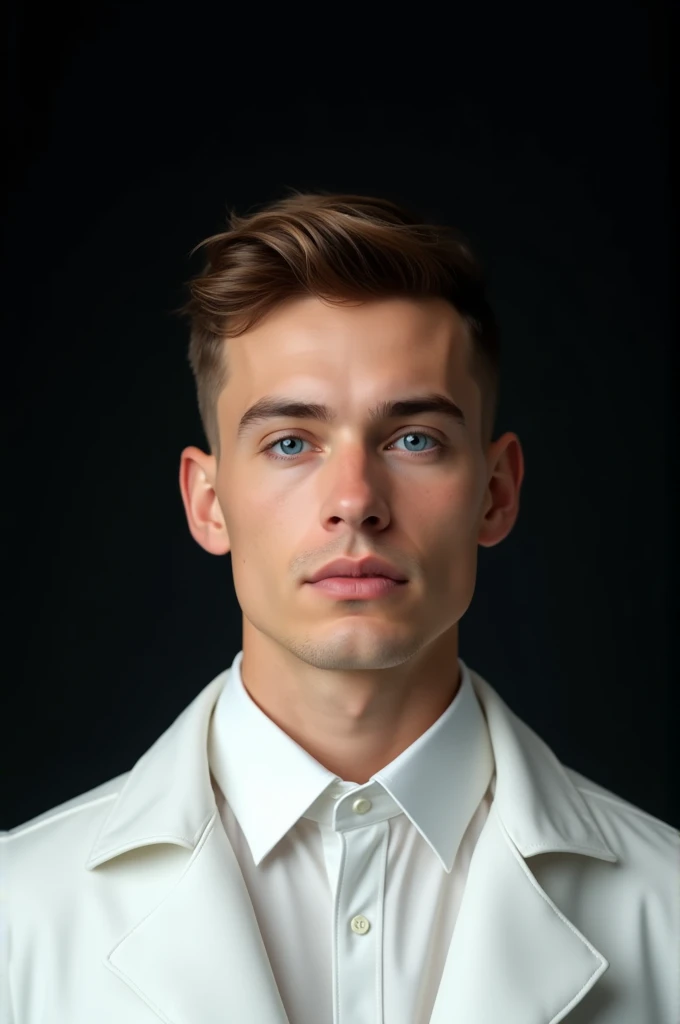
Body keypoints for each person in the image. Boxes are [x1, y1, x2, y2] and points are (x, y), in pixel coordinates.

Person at [2, 193, 677, 1024]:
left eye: (414, 439)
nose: (355, 501)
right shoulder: (17, 919)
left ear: (496, 493)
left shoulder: (668, 912)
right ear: (209, 502)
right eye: (291, 442)